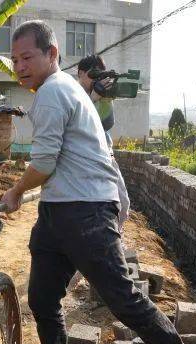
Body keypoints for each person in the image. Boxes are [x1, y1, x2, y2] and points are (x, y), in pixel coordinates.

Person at [1, 20, 196, 344]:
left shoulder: (54, 92)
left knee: (125, 301)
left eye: (27, 57)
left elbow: (42, 163)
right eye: (14, 59)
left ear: (52, 55)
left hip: (87, 211)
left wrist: (13, 192)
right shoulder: (60, 91)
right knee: (43, 297)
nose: (20, 66)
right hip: (58, 211)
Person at [75, 55, 130, 231]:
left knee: (123, 203)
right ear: (81, 73)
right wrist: (93, 98)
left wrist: (105, 95)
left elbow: (107, 122)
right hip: (83, 159)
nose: (96, 79)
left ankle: (116, 237)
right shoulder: (72, 93)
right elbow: (76, 124)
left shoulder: (102, 91)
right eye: (93, 74)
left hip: (106, 154)